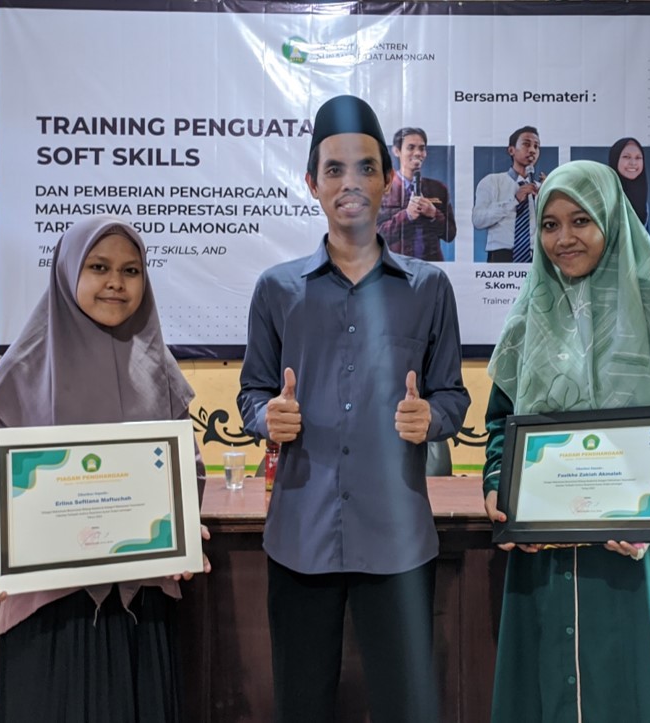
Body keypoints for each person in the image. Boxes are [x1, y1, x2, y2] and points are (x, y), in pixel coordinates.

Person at [237, 95, 468, 723]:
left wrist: (432, 419)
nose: (350, 183)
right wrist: (266, 418)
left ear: (388, 180)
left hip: (397, 542)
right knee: (301, 706)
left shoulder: (429, 289)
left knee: (406, 707)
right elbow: (252, 393)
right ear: (311, 182)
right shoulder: (277, 289)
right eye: (333, 169)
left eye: (365, 168)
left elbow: (452, 395)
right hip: (300, 538)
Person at [481, 160, 650, 723]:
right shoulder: (527, 318)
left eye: (581, 220)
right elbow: (501, 425)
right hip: (544, 555)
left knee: (629, 684)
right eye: (550, 224)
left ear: (612, 220)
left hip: (629, 553)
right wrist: (498, 488)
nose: (564, 238)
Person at [0, 215, 207, 723]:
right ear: (68, 271)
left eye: (131, 270)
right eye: (98, 267)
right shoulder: (24, 370)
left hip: (141, 602)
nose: (116, 282)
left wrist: (184, 525)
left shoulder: (158, 368)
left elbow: (187, 466)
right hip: (49, 608)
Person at [377, 127, 456, 261]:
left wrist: (434, 214)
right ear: (396, 151)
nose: (418, 153)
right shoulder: (381, 189)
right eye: (411, 147)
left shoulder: (439, 188)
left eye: (422, 148)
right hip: (395, 266)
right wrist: (406, 216)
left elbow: (450, 235)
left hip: (432, 266)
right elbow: (373, 237)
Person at [474, 126, 543, 263]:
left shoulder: (542, 188)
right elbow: (478, 221)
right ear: (511, 150)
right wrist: (514, 201)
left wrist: (550, 197)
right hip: (500, 256)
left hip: (536, 256)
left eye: (536, 146)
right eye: (526, 144)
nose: (532, 150)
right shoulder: (492, 181)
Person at [609, 137, 650, 228]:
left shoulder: (643, 199)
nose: (633, 163)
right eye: (626, 157)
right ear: (615, 158)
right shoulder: (604, 194)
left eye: (638, 157)